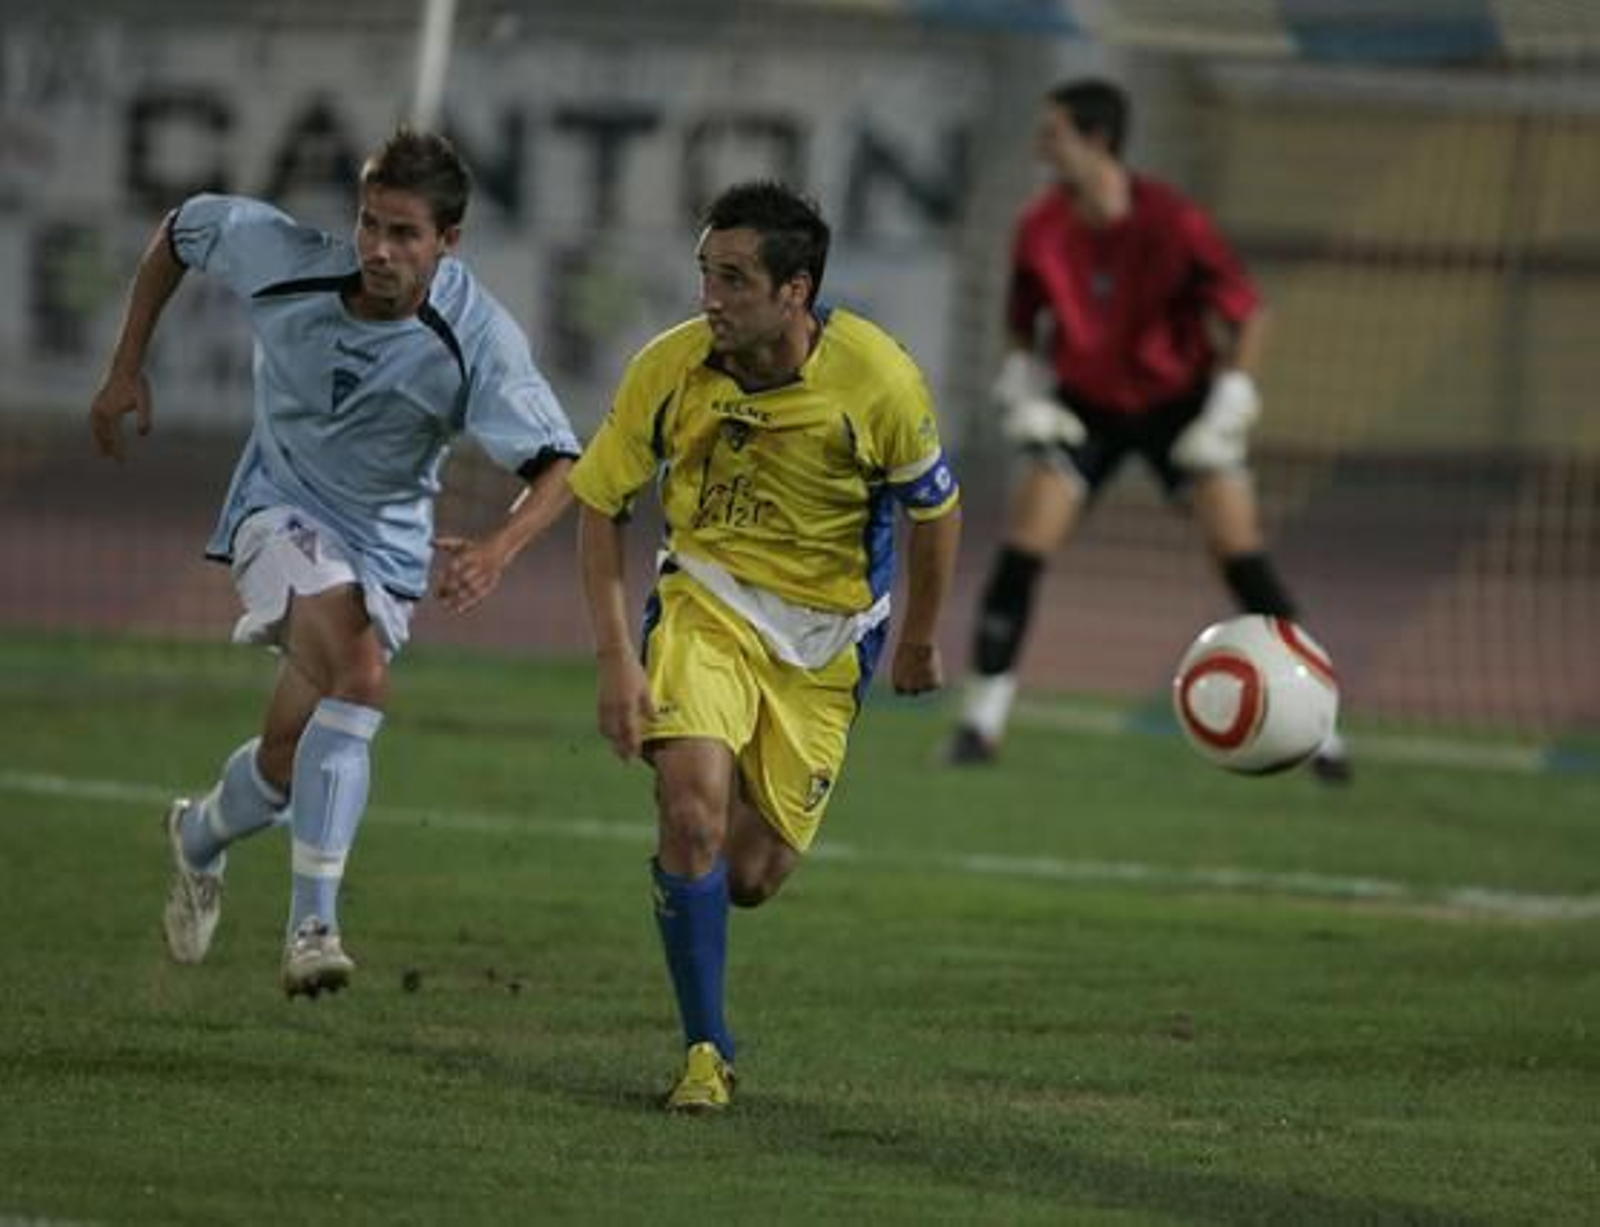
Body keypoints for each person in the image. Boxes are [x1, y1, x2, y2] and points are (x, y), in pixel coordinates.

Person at [88, 129, 581, 997]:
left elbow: (561, 466)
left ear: (449, 243)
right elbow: (179, 230)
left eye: (405, 234)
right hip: (275, 511)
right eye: (369, 225)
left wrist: (500, 549)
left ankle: (197, 835)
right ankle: (312, 926)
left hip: (384, 558)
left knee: (287, 760)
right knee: (359, 675)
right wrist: (126, 366)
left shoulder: (476, 337)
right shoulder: (285, 258)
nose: (379, 250)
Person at [569, 180, 962, 1112]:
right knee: (692, 813)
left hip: (828, 644)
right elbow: (599, 503)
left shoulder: (879, 378)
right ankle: (705, 1050)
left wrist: (920, 639)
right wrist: (618, 656)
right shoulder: (669, 369)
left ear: (797, 291)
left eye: (735, 280)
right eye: (706, 273)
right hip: (706, 601)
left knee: (748, 875)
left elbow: (935, 512)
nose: (711, 298)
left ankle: (711, 940)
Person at [946, 78, 1348, 782]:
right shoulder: (1038, 227)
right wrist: (1024, 387)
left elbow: (1250, 313)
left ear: (1098, 140)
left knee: (1241, 556)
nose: (1043, 146)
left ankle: (1322, 726)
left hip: (1179, 403)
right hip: (1088, 406)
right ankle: (981, 721)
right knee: (1022, 550)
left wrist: (1231, 401)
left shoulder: (1172, 221)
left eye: (1055, 133)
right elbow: (1021, 324)